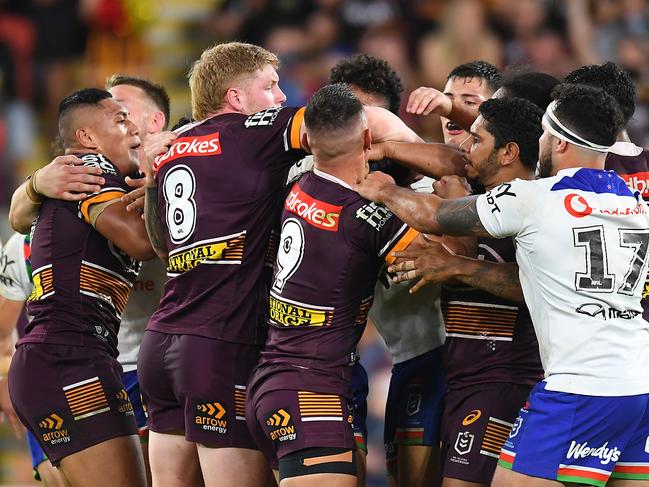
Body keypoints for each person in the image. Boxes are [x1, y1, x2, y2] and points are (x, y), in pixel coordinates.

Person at [138, 42, 420, 487]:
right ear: (235, 98)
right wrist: (430, 166)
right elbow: (359, 120)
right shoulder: (253, 130)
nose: (280, 98)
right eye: (269, 87)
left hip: (161, 344)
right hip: (221, 345)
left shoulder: (175, 145)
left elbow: (157, 244)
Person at [356, 83, 649, 487]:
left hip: (579, 386)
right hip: (639, 383)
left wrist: (387, 189)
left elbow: (433, 215)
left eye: (545, 135)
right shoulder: (635, 204)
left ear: (560, 143)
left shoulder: (535, 199)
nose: (539, 142)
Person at [245, 83, 423, 487]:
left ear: (306, 141)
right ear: (367, 139)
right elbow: (438, 260)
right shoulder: (369, 218)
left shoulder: (293, 188)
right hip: (312, 391)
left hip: (272, 382)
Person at [8, 74, 172, 485]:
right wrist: (154, 183)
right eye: (119, 119)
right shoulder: (91, 169)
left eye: (131, 116)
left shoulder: (97, 174)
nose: (131, 127)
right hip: (68, 357)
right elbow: (139, 241)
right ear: (87, 137)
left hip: (76, 356)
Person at [388, 97, 545, 486]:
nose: (465, 147)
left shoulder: (540, 206)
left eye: (477, 140)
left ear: (509, 152)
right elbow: (445, 161)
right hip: (463, 378)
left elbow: (535, 284)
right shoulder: (477, 195)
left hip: (504, 382)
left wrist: (455, 265)